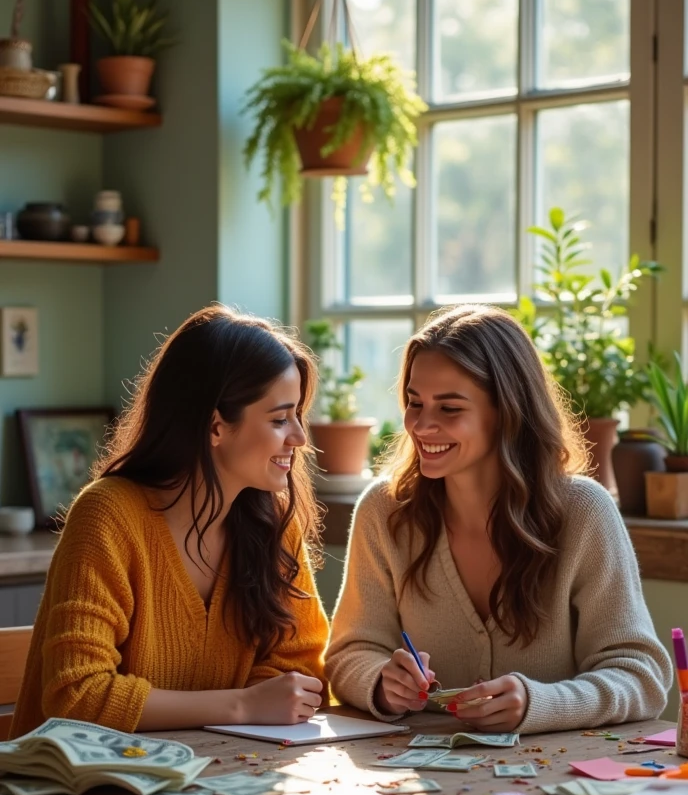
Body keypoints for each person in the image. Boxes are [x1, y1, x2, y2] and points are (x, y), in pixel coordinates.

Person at [326, 304, 672, 734]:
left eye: (450, 409)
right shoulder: (385, 511)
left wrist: (539, 703)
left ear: (508, 412)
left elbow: (641, 676)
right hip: (418, 778)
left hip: (553, 777)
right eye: (415, 402)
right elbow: (350, 651)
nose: (422, 424)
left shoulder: (583, 512)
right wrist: (380, 683)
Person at [11, 305, 328, 738]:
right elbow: (77, 695)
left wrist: (261, 706)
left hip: (222, 776)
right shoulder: (107, 516)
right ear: (215, 426)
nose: (299, 436)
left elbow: (299, 666)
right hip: (82, 792)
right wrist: (242, 706)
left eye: (298, 415)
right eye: (278, 419)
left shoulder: (273, 520)